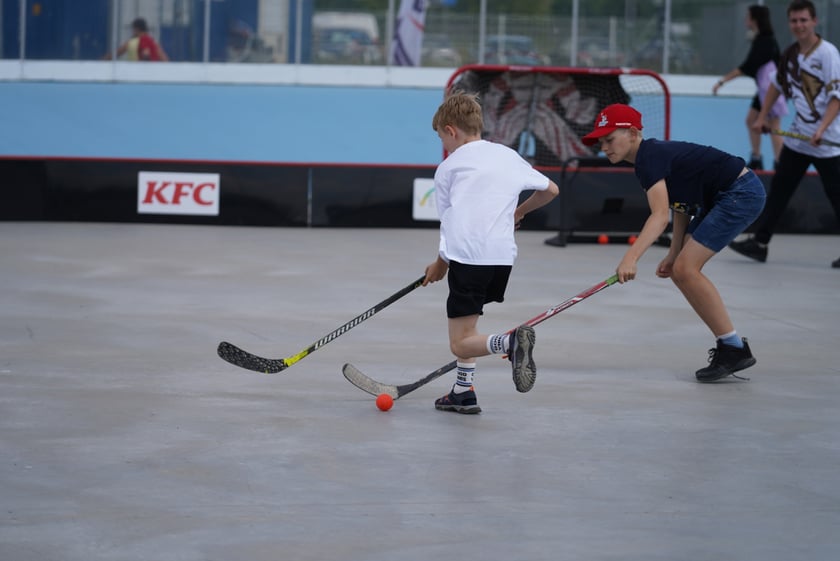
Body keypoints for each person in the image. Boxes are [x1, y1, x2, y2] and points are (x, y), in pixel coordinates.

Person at [582, 104, 766, 383]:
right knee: (680, 268)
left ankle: (733, 348)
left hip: (739, 193)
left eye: (609, 139)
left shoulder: (649, 158)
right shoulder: (652, 157)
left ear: (632, 133)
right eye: (600, 142)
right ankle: (731, 346)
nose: (604, 147)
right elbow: (680, 206)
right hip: (717, 198)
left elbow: (658, 217)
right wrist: (673, 252)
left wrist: (630, 258)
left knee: (686, 270)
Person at [423, 92, 559, 414]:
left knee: (460, 341)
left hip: (468, 258)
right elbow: (550, 190)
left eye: (442, 136)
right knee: (468, 330)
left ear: (451, 130)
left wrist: (440, 264)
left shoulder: (448, 167)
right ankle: (463, 392)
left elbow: (451, 223)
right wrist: (518, 213)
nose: (444, 143)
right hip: (501, 259)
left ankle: (509, 342)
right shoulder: (508, 156)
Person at [729, 0, 840, 268]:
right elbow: (775, 86)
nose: (799, 25)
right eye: (794, 21)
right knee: (779, 190)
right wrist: (762, 117)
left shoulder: (828, 54)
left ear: (814, 21)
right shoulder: (791, 54)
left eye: (804, 20)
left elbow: (836, 98)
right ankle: (760, 243)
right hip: (799, 138)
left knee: (836, 196)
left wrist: (822, 129)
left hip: (826, 142)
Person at [713, 5, 787, 170]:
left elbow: (747, 66)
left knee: (774, 127)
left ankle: (780, 163)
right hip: (762, 91)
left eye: (748, 16)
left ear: (755, 19)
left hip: (771, 91)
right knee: (751, 121)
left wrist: (722, 82)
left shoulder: (765, 42)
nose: (745, 20)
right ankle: (757, 157)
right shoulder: (762, 39)